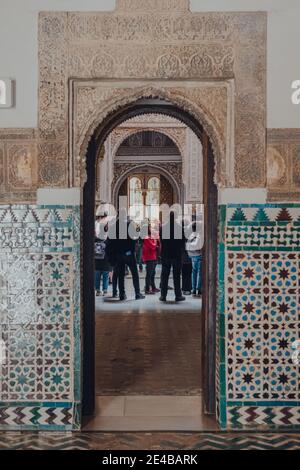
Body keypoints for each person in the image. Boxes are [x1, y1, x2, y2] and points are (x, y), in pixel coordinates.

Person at [106, 215, 145, 301]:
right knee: (134, 274)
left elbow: (109, 243)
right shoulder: (129, 225)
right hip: (129, 253)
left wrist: (111, 256)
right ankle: (137, 294)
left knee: (121, 275)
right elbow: (136, 237)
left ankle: (122, 295)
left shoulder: (113, 228)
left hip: (118, 254)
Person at [159, 211, 186, 302]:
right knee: (177, 276)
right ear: (175, 217)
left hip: (166, 254)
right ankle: (178, 295)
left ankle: (163, 296)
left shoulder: (163, 227)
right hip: (176, 254)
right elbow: (182, 241)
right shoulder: (179, 227)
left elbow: (161, 240)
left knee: (164, 276)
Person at [142, 223, 160, 294]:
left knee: (152, 273)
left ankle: (153, 287)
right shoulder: (146, 237)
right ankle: (147, 289)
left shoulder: (149, 236)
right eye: (149, 227)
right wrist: (155, 241)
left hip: (153, 256)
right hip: (149, 257)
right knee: (149, 274)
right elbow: (153, 246)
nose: (151, 229)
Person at [94, 215, 110, 296]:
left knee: (97, 275)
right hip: (106, 259)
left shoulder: (95, 238)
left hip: (97, 259)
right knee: (105, 275)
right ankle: (105, 290)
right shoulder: (108, 239)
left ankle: (97, 290)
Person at [186, 221, 203, 297]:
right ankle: (198, 289)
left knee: (194, 273)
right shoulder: (199, 235)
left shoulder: (191, 235)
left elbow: (188, 245)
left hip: (192, 256)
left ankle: (193, 289)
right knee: (199, 273)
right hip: (199, 255)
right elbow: (197, 245)